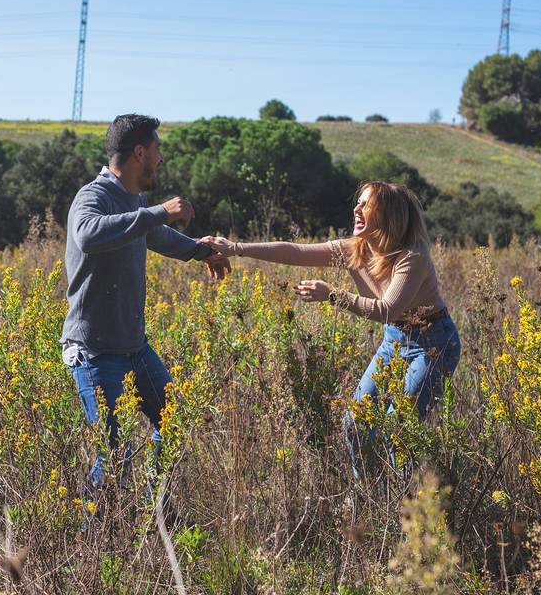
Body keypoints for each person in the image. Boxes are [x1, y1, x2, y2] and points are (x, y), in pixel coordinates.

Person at [200, 181, 460, 479]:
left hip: (433, 344)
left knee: (398, 428)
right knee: (356, 420)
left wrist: (333, 294)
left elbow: (387, 310)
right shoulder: (353, 249)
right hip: (395, 340)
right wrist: (235, 249)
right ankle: (366, 493)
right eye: (358, 202)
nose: (357, 208)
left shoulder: (412, 257)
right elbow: (296, 252)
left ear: (389, 214)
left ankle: (409, 506)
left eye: (366, 204)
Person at [61, 114, 230, 505]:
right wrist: (160, 211)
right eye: (157, 149)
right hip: (95, 352)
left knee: (172, 421)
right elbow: (88, 234)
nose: (162, 158)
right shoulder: (93, 196)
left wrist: (201, 251)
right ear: (139, 152)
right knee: (113, 453)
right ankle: (93, 542)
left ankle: (155, 509)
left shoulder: (132, 202)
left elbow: (154, 234)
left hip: (134, 349)